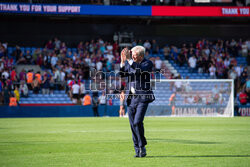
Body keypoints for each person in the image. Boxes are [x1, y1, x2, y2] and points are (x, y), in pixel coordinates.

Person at [120, 46, 155, 158]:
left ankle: (142, 146)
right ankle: (138, 150)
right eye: (131, 54)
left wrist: (129, 60)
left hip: (143, 97)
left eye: (134, 54)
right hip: (131, 98)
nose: (132, 56)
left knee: (137, 122)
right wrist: (122, 61)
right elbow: (122, 75)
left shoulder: (147, 63)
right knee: (132, 125)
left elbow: (139, 70)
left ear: (141, 55)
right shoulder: (130, 62)